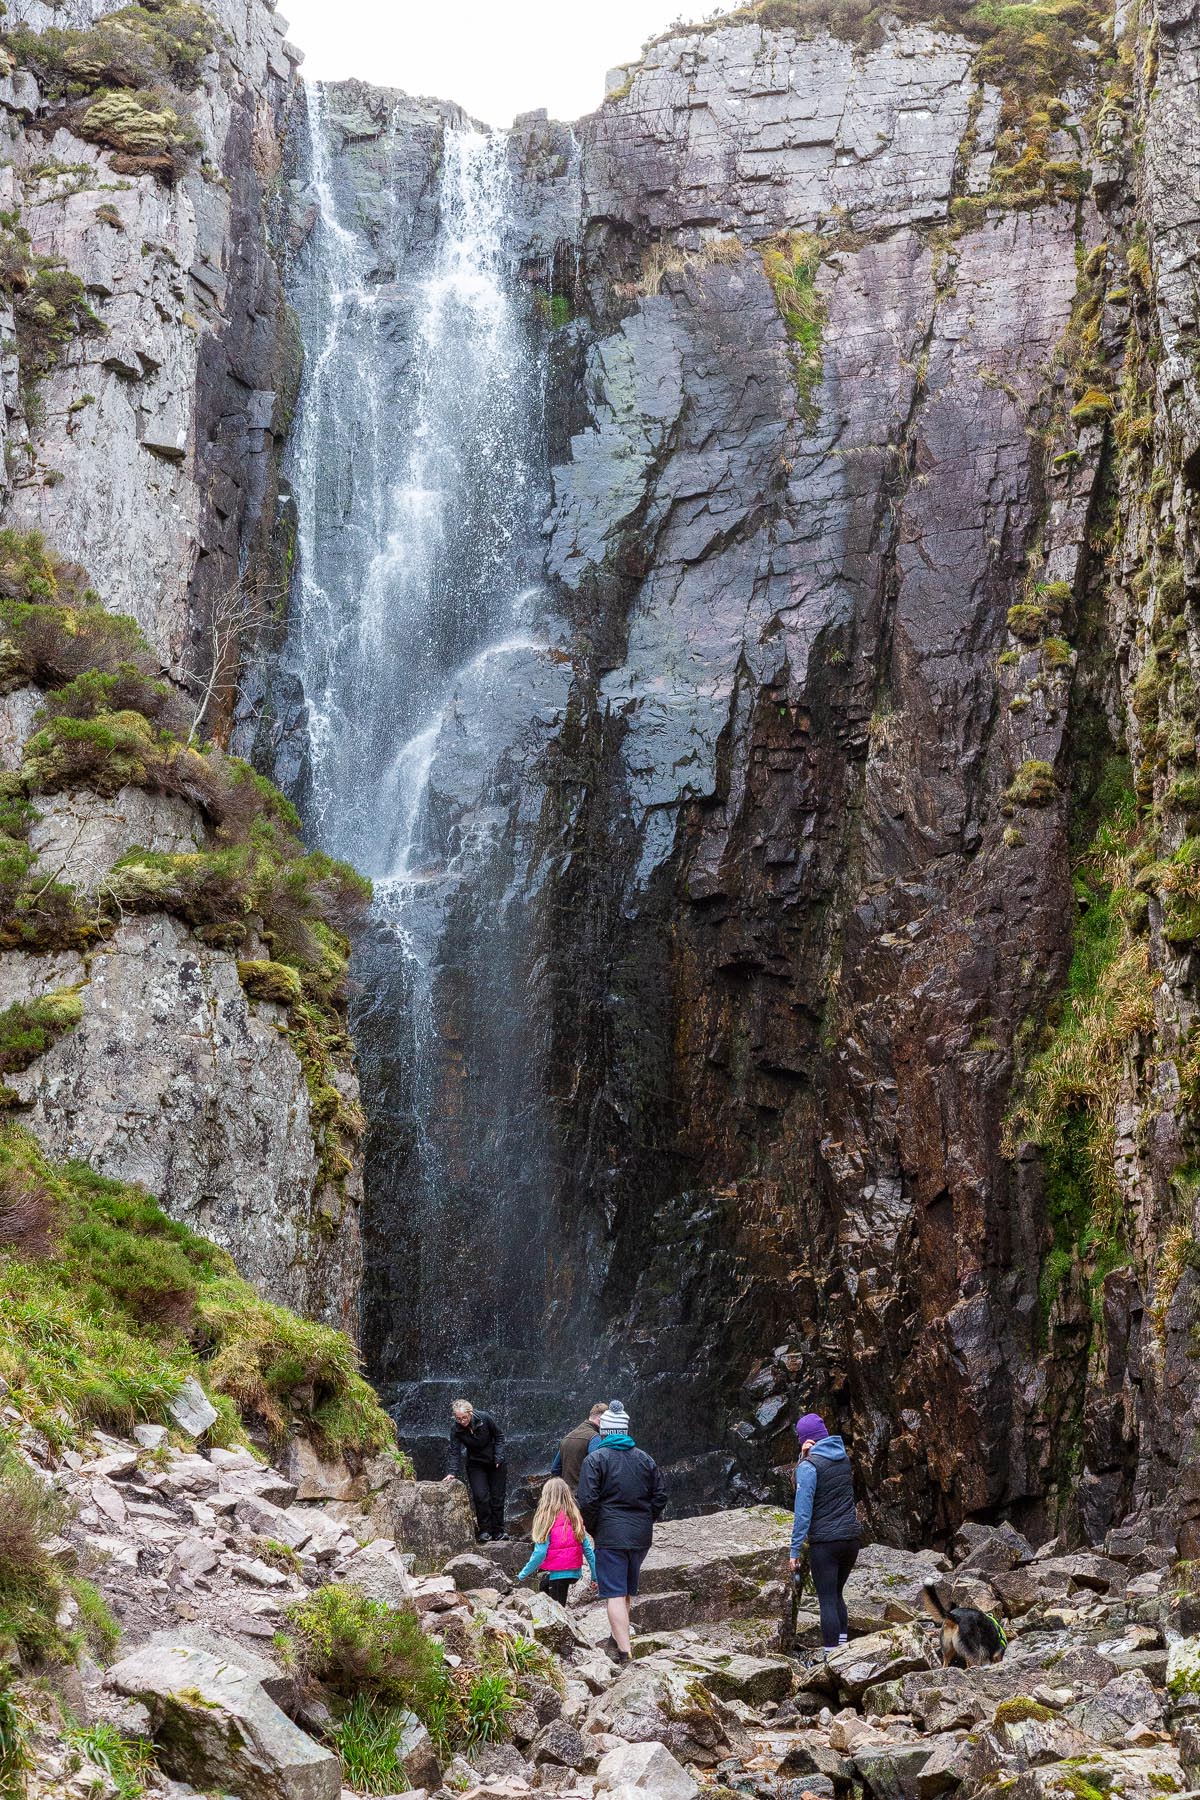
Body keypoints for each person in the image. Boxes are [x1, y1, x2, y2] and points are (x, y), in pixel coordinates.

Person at [577, 1399, 666, 1666]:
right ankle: (618, 1639)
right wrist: (645, 1518)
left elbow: (588, 1500)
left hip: (611, 1534)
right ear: (625, 1431)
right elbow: (660, 1495)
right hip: (640, 1536)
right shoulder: (645, 1458)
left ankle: (625, 1654)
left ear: (604, 1432)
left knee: (614, 1592)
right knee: (626, 1590)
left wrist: (595, 1527)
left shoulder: (595, 1460)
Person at [789, 1411, 860, 1655]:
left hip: (826, 1544)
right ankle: (843, 1649)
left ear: (807, 1440)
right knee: (837, 1594)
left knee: (827, 1599)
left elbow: (802, 1513)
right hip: (851, 1540)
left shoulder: (809, 1467)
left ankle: (832, 1656)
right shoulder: (843, 1459)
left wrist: (794, 1549)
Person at [517, 1476, 598, 1605]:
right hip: (573, 1573)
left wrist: (523, 1574)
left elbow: (540, 1553)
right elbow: (588, 1551)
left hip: (559, 1574)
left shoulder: (546, 1519)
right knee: (544, 1585)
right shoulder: (575, 1517)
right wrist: (595, 1577)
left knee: (558, 1609)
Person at [448, 1399, 508, 1543]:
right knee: (480, 1496)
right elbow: (454, 1451)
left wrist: (499, 1457)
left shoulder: (485, 1418)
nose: (462, 1421)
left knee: (497, 1498)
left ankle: (499, 1531)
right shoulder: (456, 1429)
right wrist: (452, 1472)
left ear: (471, 1412)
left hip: (496, 1463)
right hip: (475, 1464)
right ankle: (485, 1530)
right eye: (458, 1418)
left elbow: (499, 1436)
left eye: (464, 1417)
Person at [550, 1402, 606, 1490]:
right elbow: (598, 1468)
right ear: (600, 1420)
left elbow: (555, 1469)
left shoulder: (567, 1437)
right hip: (585, 1497)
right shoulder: (595, 1438)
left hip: (567, 1497)